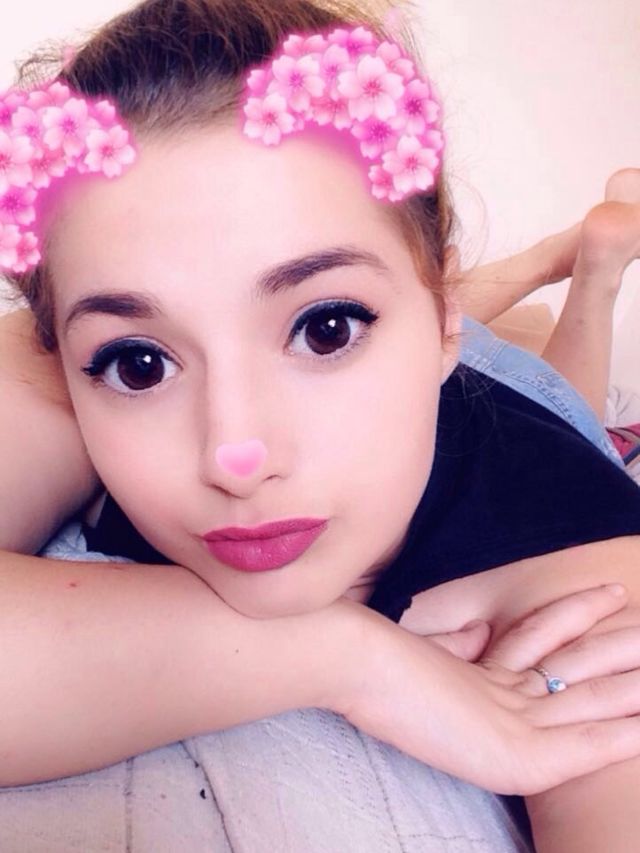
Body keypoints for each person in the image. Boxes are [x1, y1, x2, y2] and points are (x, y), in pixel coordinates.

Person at [1, 1, 640, 850]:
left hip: (521, 419)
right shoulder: (61, 337)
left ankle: (591, 270)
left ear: (436, 319)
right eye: (141, 365)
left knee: (569, 401)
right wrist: (345, 657)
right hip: (417, 313)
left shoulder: (589, 601)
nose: (236, 456)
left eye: (326, 328)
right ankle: (518, 271)